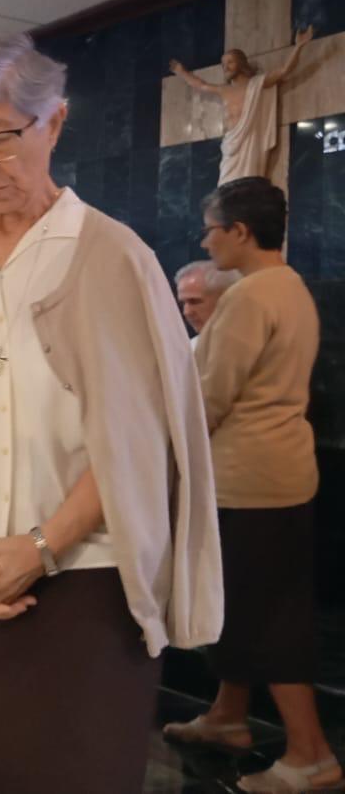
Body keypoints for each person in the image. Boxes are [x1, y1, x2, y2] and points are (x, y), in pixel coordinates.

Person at [0, 31, 222, 793]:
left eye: (1, 135)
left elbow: (137, 438)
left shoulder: (114, 257)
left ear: (56, 122)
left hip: (85, 583)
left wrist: (39, 547)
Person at [163, 177, 339, 793]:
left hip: (248, 483)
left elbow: (211, 397)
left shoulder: (248, 296)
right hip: (280, 474)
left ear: (240, 231)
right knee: (243, 605)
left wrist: (165, 456)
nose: (205, 241)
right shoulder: (289, 287)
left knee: (267, 618)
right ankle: (229, 716)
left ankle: (311, 756)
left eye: (211, 230)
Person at [169, 27, 314, 188]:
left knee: (248, 189)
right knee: (225, 189)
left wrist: (299, 46)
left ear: (241, 63)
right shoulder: (224, 90)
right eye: (223, 64)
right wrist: (182, 72)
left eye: (230, 62)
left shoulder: (256, 84)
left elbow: (284, 71)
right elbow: (201, 85)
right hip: (231, 146)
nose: (226, 67)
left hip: (250, 145)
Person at [174, 259, 239, 345]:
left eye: (195, 301)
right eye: (183, 303)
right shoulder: (189, 349)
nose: (187, 312)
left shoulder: (252, 345)